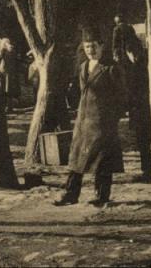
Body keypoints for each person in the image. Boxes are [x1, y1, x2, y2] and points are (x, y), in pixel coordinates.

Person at [54, 27, 126, 207]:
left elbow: (122, 96)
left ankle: (101, 196)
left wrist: (111, 117)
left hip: (102, 122)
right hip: (84, 120)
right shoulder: (83, 67)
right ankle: (71, 194)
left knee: (102, 160)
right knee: (76, 157)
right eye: (87, 47)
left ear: (102, 46)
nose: (90, 51)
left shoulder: (111, 68)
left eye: (93, 46)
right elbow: (82, 92)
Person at [112, 16, 151, 182]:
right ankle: (147, 169)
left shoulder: (131, 54)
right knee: (143, 135)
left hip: (141, 101)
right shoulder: (131, 54)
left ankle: (148, 170)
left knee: (144, 135)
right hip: (139, 102)